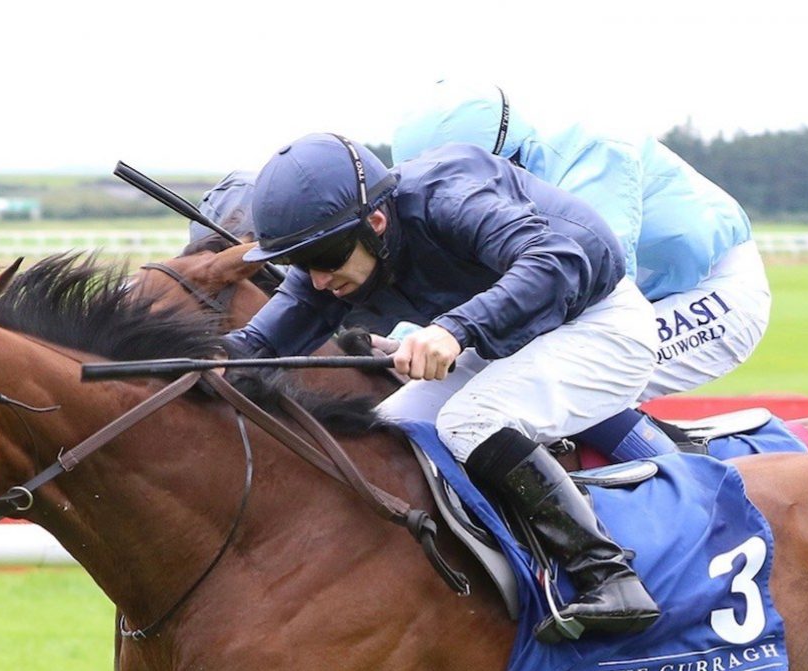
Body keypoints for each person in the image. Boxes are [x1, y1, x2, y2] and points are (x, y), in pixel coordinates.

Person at [221, 133, 660, 641]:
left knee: (469, 421)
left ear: (376, 223)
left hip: (601, 323)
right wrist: (201, 360)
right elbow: (259, 342)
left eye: (324, 258)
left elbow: (554, 261)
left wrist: (455, 329)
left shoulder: (448, 196)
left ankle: (608, 575)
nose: (317, 279)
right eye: (301, 263)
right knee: (392, 431)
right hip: (515, 341)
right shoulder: (341, 248)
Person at [389, 82, 770, 463]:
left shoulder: (592, 152)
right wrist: (413, 336)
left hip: (713, 291)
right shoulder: (495, 176)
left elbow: (593, 278)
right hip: (630, 297)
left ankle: (686, 480)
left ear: (504, 159)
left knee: (569, 374)